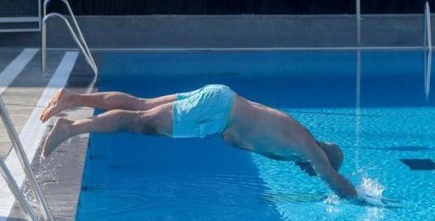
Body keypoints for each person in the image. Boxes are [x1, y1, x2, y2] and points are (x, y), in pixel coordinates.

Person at [39, 84, 359, 200]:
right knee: (142, 123)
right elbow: (336, 183)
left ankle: (71, 98)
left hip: (219, 100)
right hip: (216, 111)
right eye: (318, 169)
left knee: (140, 104)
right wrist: (365, 197)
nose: (314, 173)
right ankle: (70, 127)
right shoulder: (307, 146)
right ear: (323, 159)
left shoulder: (294, 149)